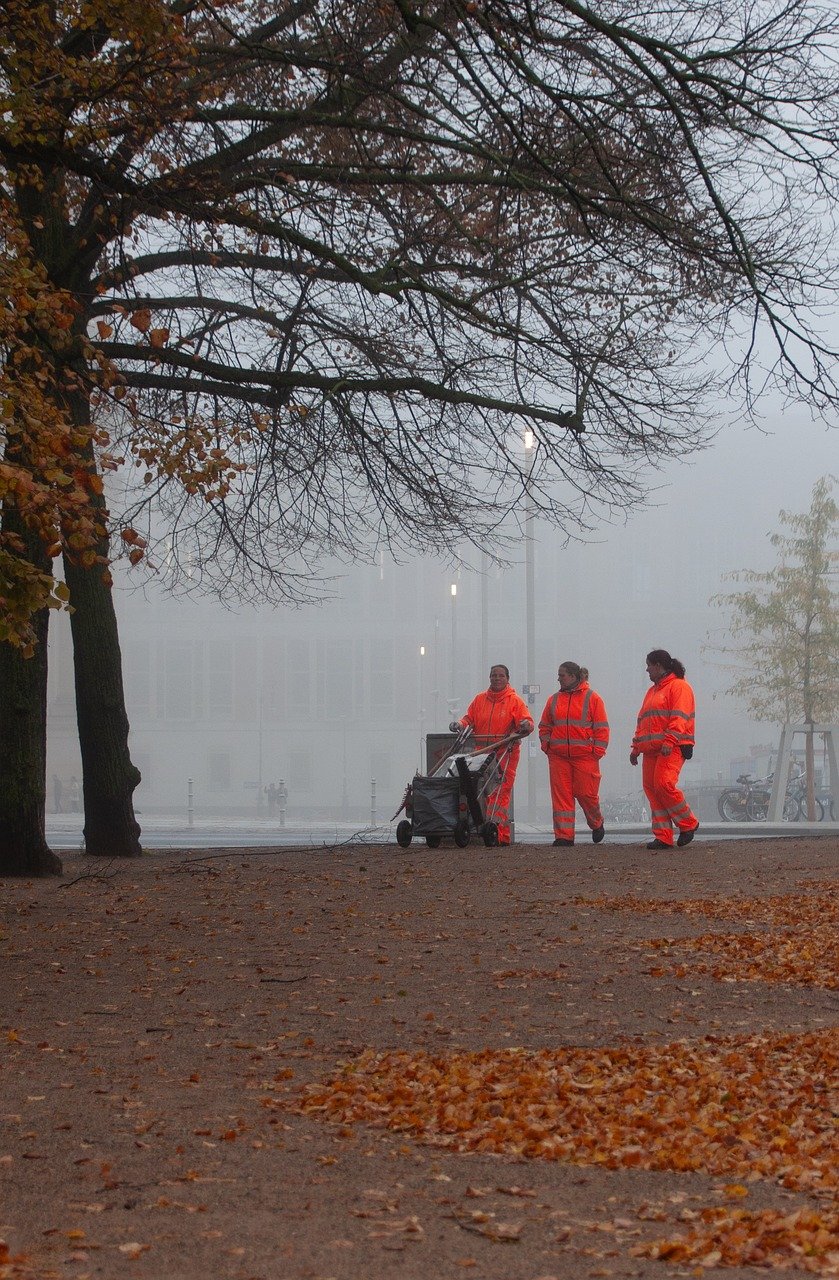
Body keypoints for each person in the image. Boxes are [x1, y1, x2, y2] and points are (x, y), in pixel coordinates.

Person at [450, 664, 534, 845]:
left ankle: (500, 834)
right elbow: (468, 719)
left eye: (500, 675)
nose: (497, 678)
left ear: (507, 679)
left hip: (505, 752)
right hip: (481, 753)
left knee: (500, 792)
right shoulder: (479, 700)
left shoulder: (515, 701)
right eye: (494, 675)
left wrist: (525, 725)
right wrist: (459, 724)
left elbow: (526, 720)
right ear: (489, 678)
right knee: (480, 791)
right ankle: (485, 829)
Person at [630, 649, 699, 850]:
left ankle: (688, 823)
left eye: (648, 665)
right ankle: (663, 836)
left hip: (672, 747)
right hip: (652, 749)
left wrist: (670, 741)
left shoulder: (679, 687)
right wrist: (636, 748)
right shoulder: (652, 692)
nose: (647, 670)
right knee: (652, 790)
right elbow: (642, 722)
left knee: (663, 785)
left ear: (658, 666)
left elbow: (679, 717)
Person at [539, 662, 609, 847]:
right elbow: (545, 726)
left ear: (572, 676)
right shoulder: (553, 700)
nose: (558, 678)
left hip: (585, 757)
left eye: (561, 675)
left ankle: (596, 823)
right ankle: (564, 836)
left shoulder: (593, 698)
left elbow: (601, 728)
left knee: (587, 794)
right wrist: (547, 746)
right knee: (561, 796)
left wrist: (597, 753)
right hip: (559, 757)